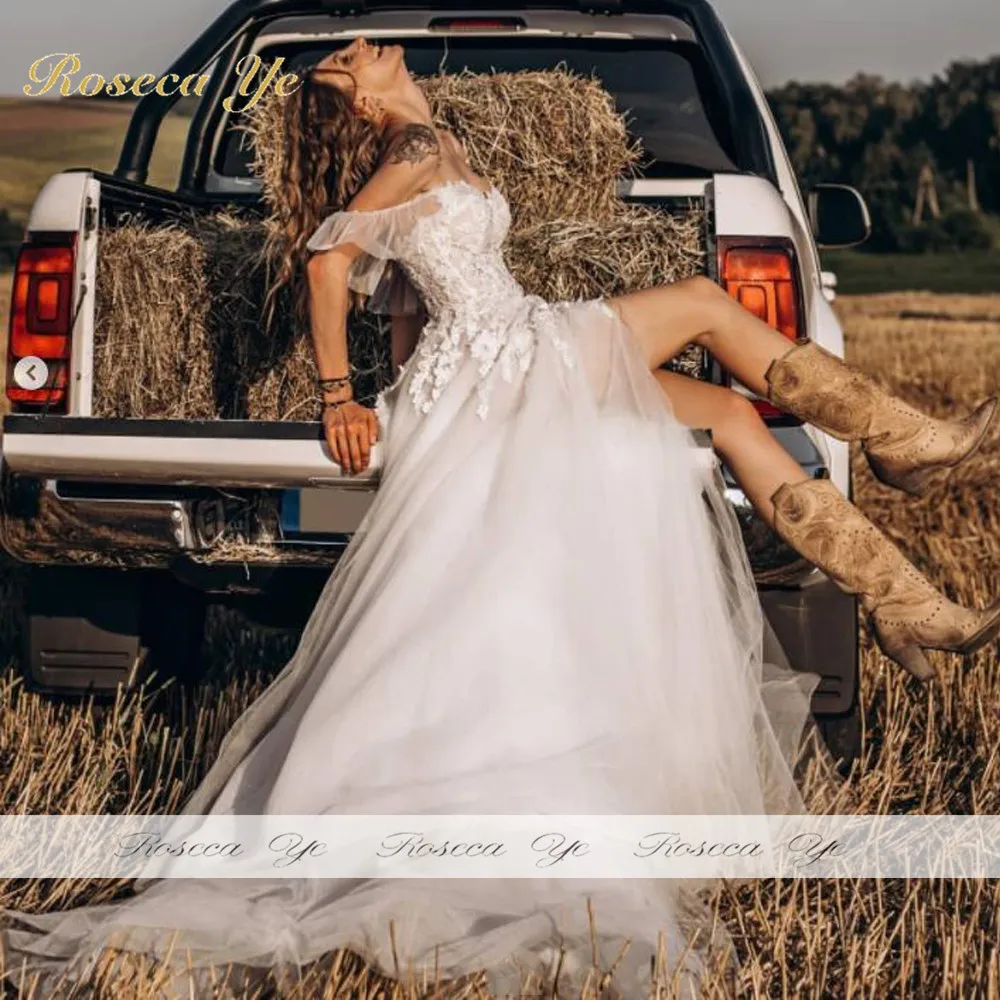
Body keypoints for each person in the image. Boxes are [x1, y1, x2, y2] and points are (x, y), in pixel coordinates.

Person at [2, 37, 997, 1000]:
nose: (370, 40)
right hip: (510, 352)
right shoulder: (410, 146)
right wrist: (343, 397)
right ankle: (906, 441)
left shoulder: (434, 142)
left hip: (501, 355)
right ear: (360, 94)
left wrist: (415, 390)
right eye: (355, 50)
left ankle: (903, 600)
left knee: (734, 418)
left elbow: (402, 302)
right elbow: (325, 262)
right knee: (702, 299)